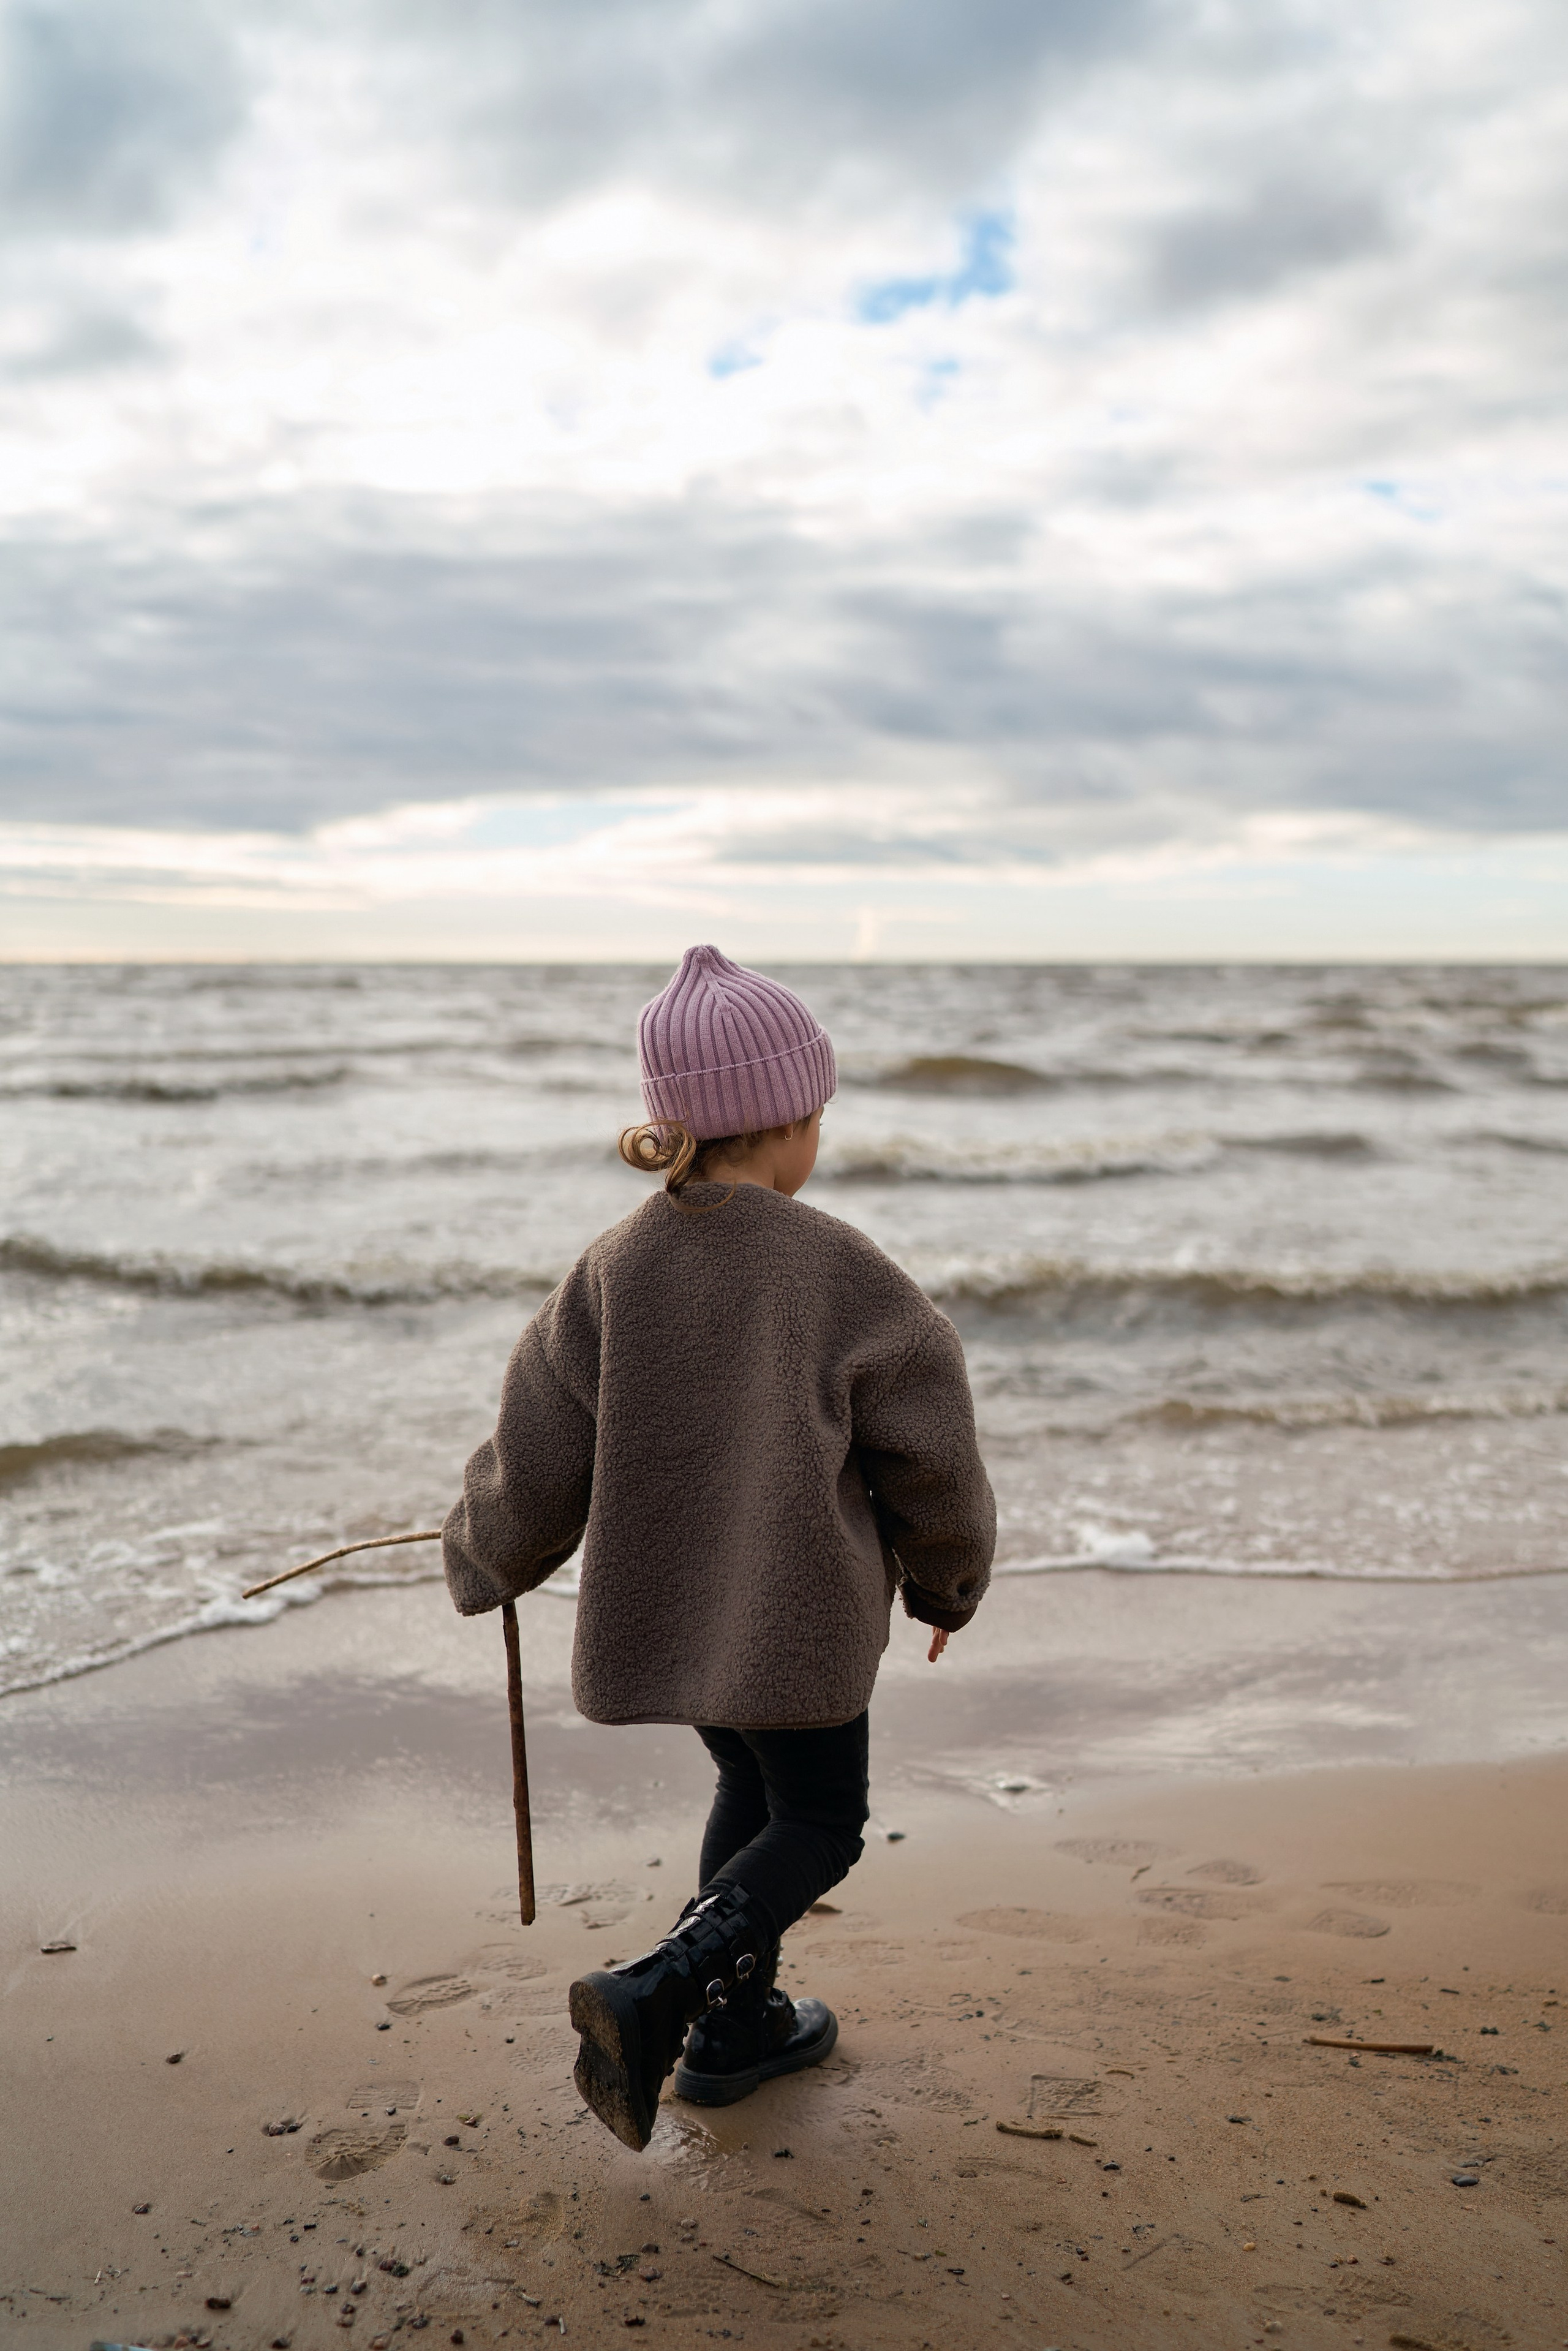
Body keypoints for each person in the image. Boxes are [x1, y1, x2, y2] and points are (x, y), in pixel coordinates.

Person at [442, 945, 995, 2150]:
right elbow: (929, 1447)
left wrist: (486, 1555)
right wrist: (948, 1576)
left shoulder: (609, 1268)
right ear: (787, 1121)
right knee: (818, 1819)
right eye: (816, 1115)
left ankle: (729, 2031)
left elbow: (536, 1446)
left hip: (678, 1611)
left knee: (747, 1786)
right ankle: (664, 1985)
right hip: (798, 1620)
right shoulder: (839, 1267)